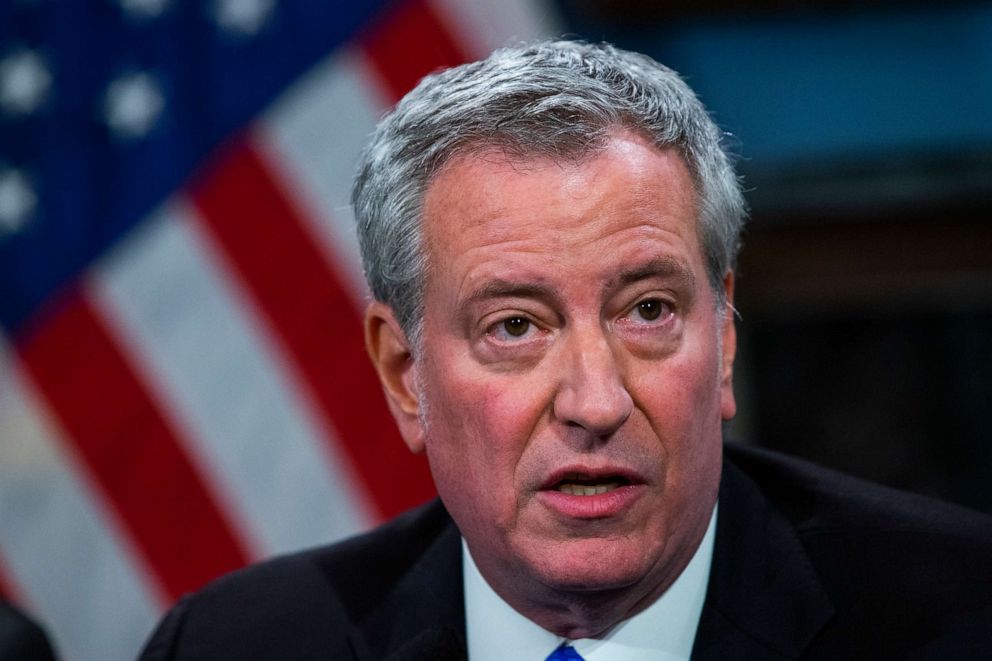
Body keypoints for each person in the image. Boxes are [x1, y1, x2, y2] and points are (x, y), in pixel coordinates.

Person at [140, 40, 992, 660]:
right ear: (405, 376)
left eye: (647, 309)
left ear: (724, 341)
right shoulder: (236, 644)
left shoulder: (962, 613)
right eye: (515, 325)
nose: (596, 399)